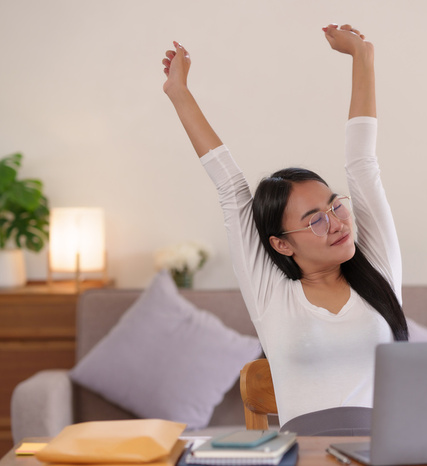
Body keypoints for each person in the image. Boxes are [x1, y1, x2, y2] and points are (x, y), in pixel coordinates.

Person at [162, 23, 407, 434]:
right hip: (301, 456)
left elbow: (362, 162)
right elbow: (231, 189)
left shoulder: (378, 271)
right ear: (281, 244)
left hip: (382, 454)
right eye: (315, 219)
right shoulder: (271, 294)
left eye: (334, 206)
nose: (336, 222)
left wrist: (363, 58)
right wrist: (179, 93)